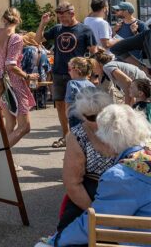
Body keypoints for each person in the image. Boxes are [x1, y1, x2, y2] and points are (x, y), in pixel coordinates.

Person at [36, 104, 151, 246]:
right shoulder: (146, 154)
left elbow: (95, 224)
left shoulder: (121, 176)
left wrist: (55, 241)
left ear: (109, 140)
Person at [37, 1, 98, 148]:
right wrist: (43, 24)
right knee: (60, 105)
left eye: (63, 16)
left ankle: (85, 137)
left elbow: (94, 53)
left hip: (79, 76)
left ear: (72, 13)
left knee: (81, 107)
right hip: (59, 72)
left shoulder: (85, 30)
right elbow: (37, 40)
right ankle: (66, 136)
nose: (61, 20)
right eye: (59, 17)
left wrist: (94, 76)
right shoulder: (57, 29)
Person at [57, 88, 116, 233]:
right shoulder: (77, 136)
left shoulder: (121, 127)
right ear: (82, 116)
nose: (99, 121)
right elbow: (72, 184)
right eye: (92, 117)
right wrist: (96, 213)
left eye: (103, 115)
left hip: (123, 195)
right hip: (90, 196)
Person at [0, 7, 32, 149]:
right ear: (18, 20)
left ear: (3, 19)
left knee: (10, 124)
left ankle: (5, 164)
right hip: (14, 84)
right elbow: (10, 65)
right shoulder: (16, 38)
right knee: (24, 127)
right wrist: (27, 76)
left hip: (0, 84)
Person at [20, 32, 51, 109]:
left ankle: (29, 103)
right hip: (41, 79)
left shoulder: (27, 50)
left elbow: (22, 66)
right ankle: (41, 102)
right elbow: (48, 68)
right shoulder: (43, 50)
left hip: (29, 79)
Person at [65, 57, 95, 129]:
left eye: (69, 69)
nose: (68, 72)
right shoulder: (91, 84)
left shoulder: (72, 83)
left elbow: (69, 101)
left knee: (75, 137)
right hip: (89, 116)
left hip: (76, 116)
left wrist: (67, 113)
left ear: (76, 70)